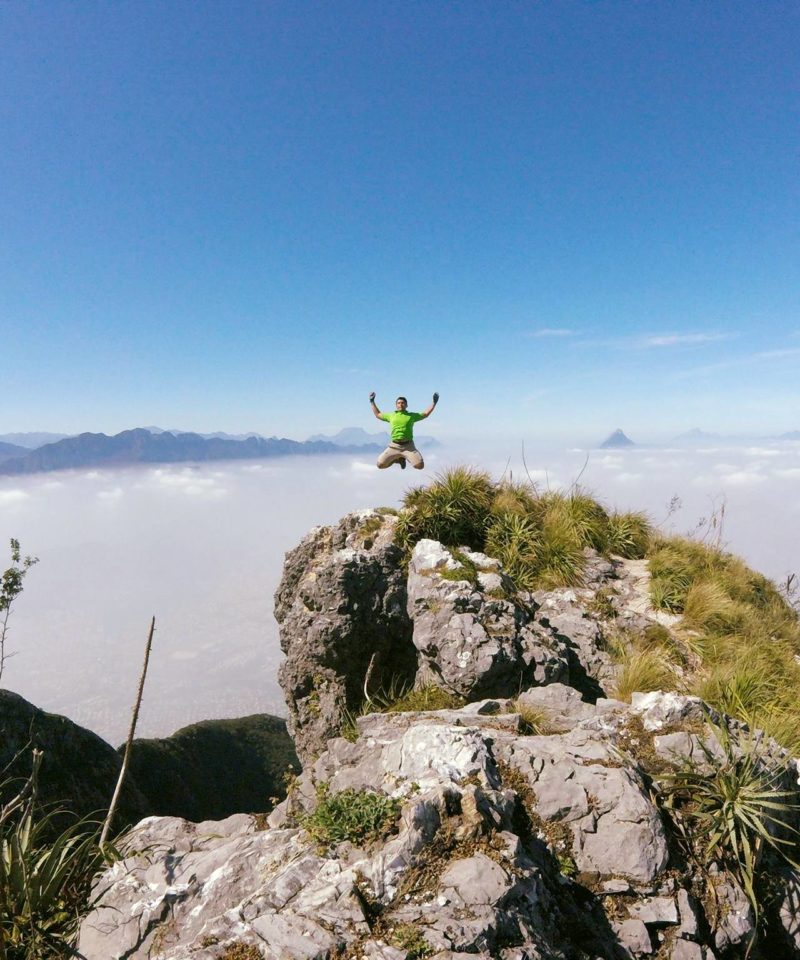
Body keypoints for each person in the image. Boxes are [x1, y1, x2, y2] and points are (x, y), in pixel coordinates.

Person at [369, 392, 439, 470]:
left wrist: (434, 403)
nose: (401, 404)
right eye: (398, 403)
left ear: (406, 405)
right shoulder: (391, 416)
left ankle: (403, 457)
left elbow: (425, 414)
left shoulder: (411, 416)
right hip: (394, 446)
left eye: (403, 403)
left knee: (420, 466)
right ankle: (398, 459)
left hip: (408, 446)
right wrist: (372, 402)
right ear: (396, 405)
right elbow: (378, 414)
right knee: (380, 465)